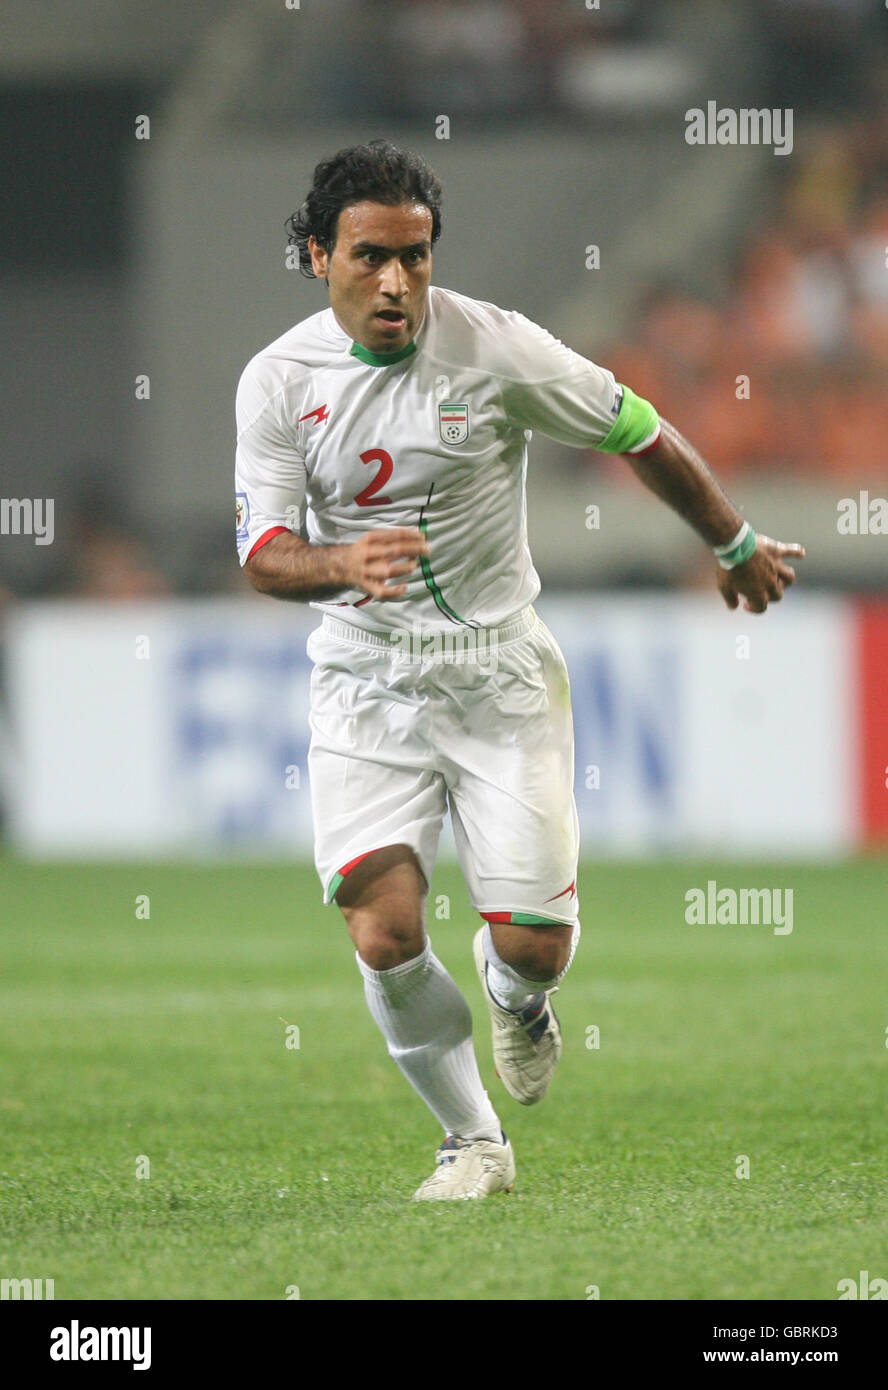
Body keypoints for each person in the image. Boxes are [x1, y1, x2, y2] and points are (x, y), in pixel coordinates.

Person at [235, 139, 804, 1200]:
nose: (397, 280)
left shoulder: (497, 349)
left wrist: (733, 543)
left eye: (415, 255)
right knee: (381, 922)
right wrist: (340, 564)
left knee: (534, 944)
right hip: (367, 681)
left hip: (499, 678)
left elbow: (638, 429)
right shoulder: (276, 383)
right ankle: (472, 1142)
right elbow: (263, 554)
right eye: (369, 256)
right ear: (318, 255)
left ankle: (522, 998)